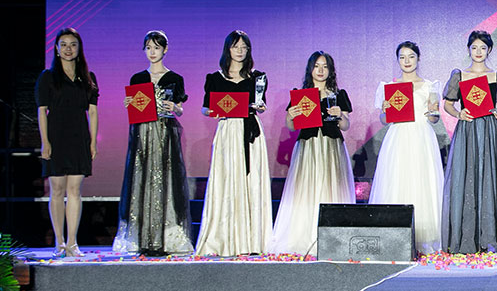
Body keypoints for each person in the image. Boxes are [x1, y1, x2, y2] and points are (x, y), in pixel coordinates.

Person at [440, 31, 497, 253]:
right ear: (468, 49)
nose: (478, 52)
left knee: (490, 177)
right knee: (466, 178)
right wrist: (459, 113)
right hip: (467, 130)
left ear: (489, 50)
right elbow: (448, 104)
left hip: (489, 131)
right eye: (474, 47)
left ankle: (490, 238)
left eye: (482, 48)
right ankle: (466, 239)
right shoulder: (459, 75)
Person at [112, 30, 193, 256]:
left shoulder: (174, 78)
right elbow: (135, 108)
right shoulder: (138, 78)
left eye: (156, 47)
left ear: (165, 49)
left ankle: (167, 236)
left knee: (166, 179)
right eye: (148, 48)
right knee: (141, 178)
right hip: (142, 134)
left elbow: (180, 109)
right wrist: (129, 103)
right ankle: (139, 237)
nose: (152, 52)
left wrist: (175, 108)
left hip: (165, 133)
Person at [194, 30, 273, 256]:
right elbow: (205, 108)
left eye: (244, 47)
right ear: (227, 49)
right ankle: (224, 239)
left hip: (250, 132)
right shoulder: (215, 78)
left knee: (251, 181)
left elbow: (261, 104)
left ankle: (253, 241)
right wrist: (213, 111)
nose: (240, 51)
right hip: (228, 131)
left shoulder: (258, 77)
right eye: (236, 46)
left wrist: (260, 107)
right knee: (227, 179)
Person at [270, 51, 355, 255]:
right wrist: (290, 116)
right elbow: (291, 126)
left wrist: (340, 116)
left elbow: (345, 126)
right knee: (306, 189)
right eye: (317, 66)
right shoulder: (301, 95)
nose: (320, 70)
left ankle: (332, 237)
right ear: (310, 69)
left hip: (331, 147)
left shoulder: (338, 95)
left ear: (330, 70)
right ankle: (304, 234)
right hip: (308, 147)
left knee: (331, 187)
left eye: (325, 66)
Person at [369, 41, 444, 255]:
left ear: (418, 59)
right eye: (402, 57)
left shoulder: (429, 86)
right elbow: (384, 120)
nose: (407, 61)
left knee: (422, 182)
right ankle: (395, 237)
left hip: (421, 138)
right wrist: (385, 110)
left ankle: (424, 238)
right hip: (398, 138)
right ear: (397, 60)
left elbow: (434, 118)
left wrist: (432, 111)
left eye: (411, 56)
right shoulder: (389, 87)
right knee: (397, 181)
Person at [36, 28, 99, 258]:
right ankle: (59, 242)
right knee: (57, 190)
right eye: (63, 44)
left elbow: (93, 112)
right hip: (56, 138)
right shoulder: (47, 77)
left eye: (73, 44)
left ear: (79, 48)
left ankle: (72, 243)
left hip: (79, 138)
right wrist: (45, 142)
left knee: (74, 190)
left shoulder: (88, 78)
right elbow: (42, 111)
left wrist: (93, 142)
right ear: (56, 49)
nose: (68, 49)